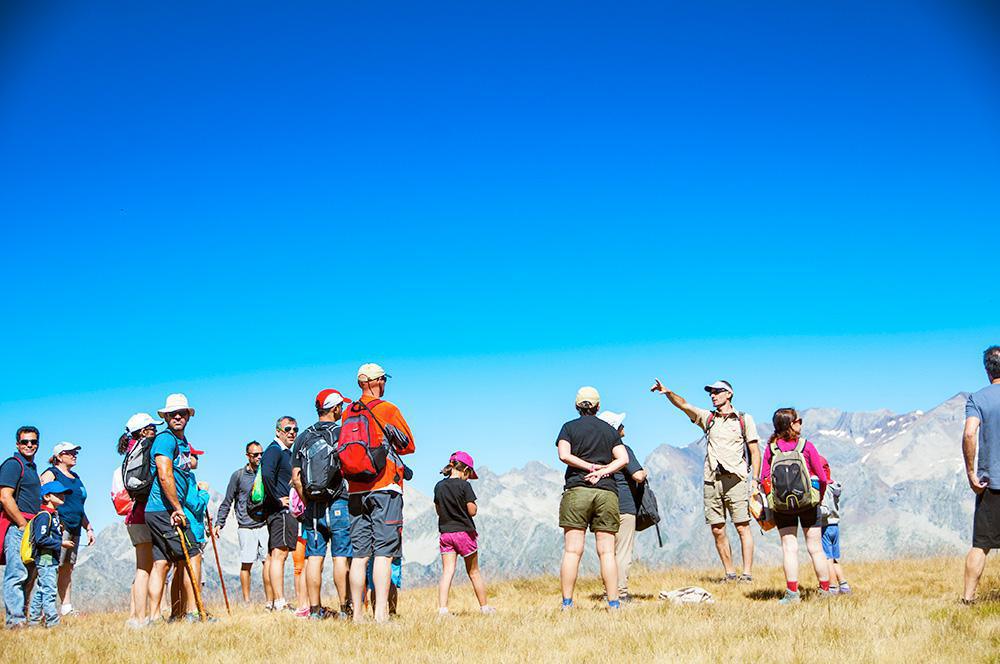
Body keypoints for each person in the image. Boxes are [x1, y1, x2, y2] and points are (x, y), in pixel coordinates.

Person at [650, 378, 761, 582]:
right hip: (712, 480)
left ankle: (747, 574)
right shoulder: (708, 418)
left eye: (717, 391)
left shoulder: (744, 419)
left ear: (729, 394)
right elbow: (684, 405)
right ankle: (730, 574)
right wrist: (668, 392)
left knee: (742, 526)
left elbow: (755, 451)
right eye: (711, 392)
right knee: (717, 529)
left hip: (736, 479)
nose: (713, 395)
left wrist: (755, 480)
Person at [344, 362, 415, 624]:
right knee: (384, 553)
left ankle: (357, 616)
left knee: (359, 555)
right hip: (385, 486)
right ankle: (381, 615)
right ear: (375, 382)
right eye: (383, 379)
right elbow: (409, 445)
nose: (385, 384)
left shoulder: (348, 412)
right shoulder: (387, 409)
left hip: (355, 489)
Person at [556, 387, 629, 611]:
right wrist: (603, 470)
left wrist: (589, 467)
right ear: (598, 406)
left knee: (572, 550)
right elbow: (623, 459)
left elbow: (564, 455)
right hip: (606, 492)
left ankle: (567, 604)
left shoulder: (568, 428)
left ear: (576, 406)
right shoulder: (609, 431)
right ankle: (614, 603)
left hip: (577, 489)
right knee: (607, 552)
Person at [291, 389, 353, 619]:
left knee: (314, 558)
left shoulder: (303, 437)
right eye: (341, 406)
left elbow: (296, 476)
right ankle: (345, 608)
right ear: (335, 408)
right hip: (338, 502)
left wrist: (307, 500)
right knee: (340, 556)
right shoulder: (341, 433)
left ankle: (315, 610)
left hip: (313, 505)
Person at [761, 408, 831, 604]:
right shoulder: (806, 446)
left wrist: (772, 501)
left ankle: (792, 594)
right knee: (815, 548)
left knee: (789, 548)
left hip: (782, 506)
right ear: (791, 424)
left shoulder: (771, 449)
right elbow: (822, 477)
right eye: (798, 420)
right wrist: (818, 497)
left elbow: (764, 478)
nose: (801, 423)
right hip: (809, 504)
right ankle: (825, 591)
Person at [144, 394, 200, 623]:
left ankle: (156, 617)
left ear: (188, 416)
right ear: (166, 417)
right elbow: (164, 474)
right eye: (172, 414)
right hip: (165, 510)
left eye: (182, 413)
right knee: (193, 555)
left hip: (158, 510)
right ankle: (195, 612)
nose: (177, 417)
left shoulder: (181, 441)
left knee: (162, 562)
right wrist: (177, 508)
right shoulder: (165, 440)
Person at [38, 442, 94, 617]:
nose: (74, 455)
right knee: (53, 565)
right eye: (69, 452)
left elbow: (79, 505)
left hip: (76, 525)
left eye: (75, 452)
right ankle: (43, 609)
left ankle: (66, 607)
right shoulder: (51, 473)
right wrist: (52, 520)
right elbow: (42, 496)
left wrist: (88, 527)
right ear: (59, 456)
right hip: (59, 525)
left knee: (68, 566)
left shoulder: (76, 477)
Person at [962, 345, 1000, 604]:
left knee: (981, 545)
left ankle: (967, 600)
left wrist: (971, 473)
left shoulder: (977, 399)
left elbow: (969, 433)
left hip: (991, 482)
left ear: (987, 371)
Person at [434, 451, 494, 616]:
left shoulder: (439, 486)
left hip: (446, 534)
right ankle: (484, 608)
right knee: (474, 572)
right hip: (464, 534)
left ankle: (443, 610)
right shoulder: (465, 486)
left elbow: (438, 510)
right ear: (466, 470)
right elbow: (472, 511)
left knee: (447, 571)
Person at [116, 413, 161, 627]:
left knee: (142, 568)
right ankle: (147, 617)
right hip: (146, 513)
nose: (156, 431)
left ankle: (137, 617)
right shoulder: (147, 448)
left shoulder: (130, 452)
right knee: (150, 568)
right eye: (152, 428)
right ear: (143, 431)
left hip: (134, 516)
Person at [597, 411, 647, 602]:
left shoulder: (597, 452)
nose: (624, 427)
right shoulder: (623, 449)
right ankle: (621, 593)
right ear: (615, 429)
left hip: (603, 504)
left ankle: (608, 592)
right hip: (624, 505)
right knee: (623, 552)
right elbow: (638, 476)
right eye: (620, 424)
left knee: (607, 551)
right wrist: (645, 472)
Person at [216, 440, 273, 606]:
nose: (259, 457)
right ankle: (246, 602)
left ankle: (270, 601)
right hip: (245, 526)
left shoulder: (266, 473)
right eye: (255, 454)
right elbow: (228, 500)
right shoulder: (238, 476)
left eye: (261, 454)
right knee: (246, 564)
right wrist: (220, 522)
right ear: (248, 456)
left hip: (264, 524)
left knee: (268, 563)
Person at [1, 426, 42, 629]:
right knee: (16, 574)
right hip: (18, 528)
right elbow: (5, 496)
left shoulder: (31, 468)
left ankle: (22, 617)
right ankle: (15, 621)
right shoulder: (13, 465)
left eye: (33, 442)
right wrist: (22, 524)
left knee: (29, 574)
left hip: (30, 528)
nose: (29, 445)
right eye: (25, 442)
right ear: (18, 444)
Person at [26, 481, 76, 628]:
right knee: (49, 590)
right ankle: (53, 622)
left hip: (50, 558)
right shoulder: (44, 516)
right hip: (46, 558)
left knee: (42, 590)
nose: (62, 497)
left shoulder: (53, 516)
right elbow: (41, 539)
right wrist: (61, 543)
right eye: (58, 494)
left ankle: (34, 621)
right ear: (47, 497)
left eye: (63, 494)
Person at [261, 415, 298, 611]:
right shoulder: (275, 450)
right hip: (281, 511)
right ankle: (280, 602)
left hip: (277, 510)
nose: (292, 433)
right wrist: (276, 500)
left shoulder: (282, 452)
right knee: (279, 554)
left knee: (272, 555)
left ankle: (272, 602)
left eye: (295, 429)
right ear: (278, 431)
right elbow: (266, 474)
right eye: (287, 429)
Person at [175, 447, 209, 621]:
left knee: (182, 569)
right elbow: (196, 504)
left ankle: (181, 611)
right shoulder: (186, 477)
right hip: (191, 528)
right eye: (194, 455)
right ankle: (192, 610)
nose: (197, 459)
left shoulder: (185, 476)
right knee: (192, 568)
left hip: (188, 526)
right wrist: (204, 492)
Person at [818, 457, 850, 595]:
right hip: (835, 526)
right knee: (834, 559)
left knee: (827, 559)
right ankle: (844, 586)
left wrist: (814, 510)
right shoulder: (834, 486)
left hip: (825, 526)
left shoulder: (824, 488)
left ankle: (832, 587)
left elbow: (825, 510)